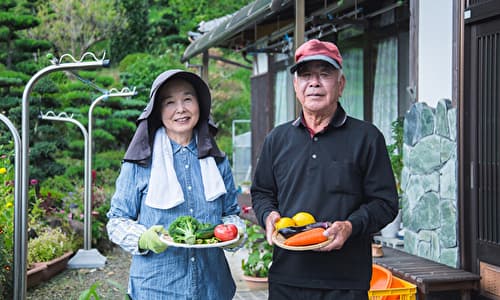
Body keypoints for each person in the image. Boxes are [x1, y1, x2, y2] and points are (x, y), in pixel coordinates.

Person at [251, 39, 399, 300]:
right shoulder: (278, 139)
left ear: (340, 85)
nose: (314, 82)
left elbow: (385, 203)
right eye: (305, 75)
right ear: (296, 86)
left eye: (325, 74)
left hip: (346, 282)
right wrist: (268, 216)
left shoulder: (366, 137)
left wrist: (350, 227)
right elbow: (262, 192)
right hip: (288, 278)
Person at [106, 69, 244, 300]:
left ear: (199, 105)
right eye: (169, 102)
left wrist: (235, 234)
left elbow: (230, 214)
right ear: (157, 111)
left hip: (212, 288)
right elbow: (116, 221)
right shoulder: (140, 161)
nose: (181, 109)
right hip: (156, 288)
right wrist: (142, 238)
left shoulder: (217, 160)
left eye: (188, 99)